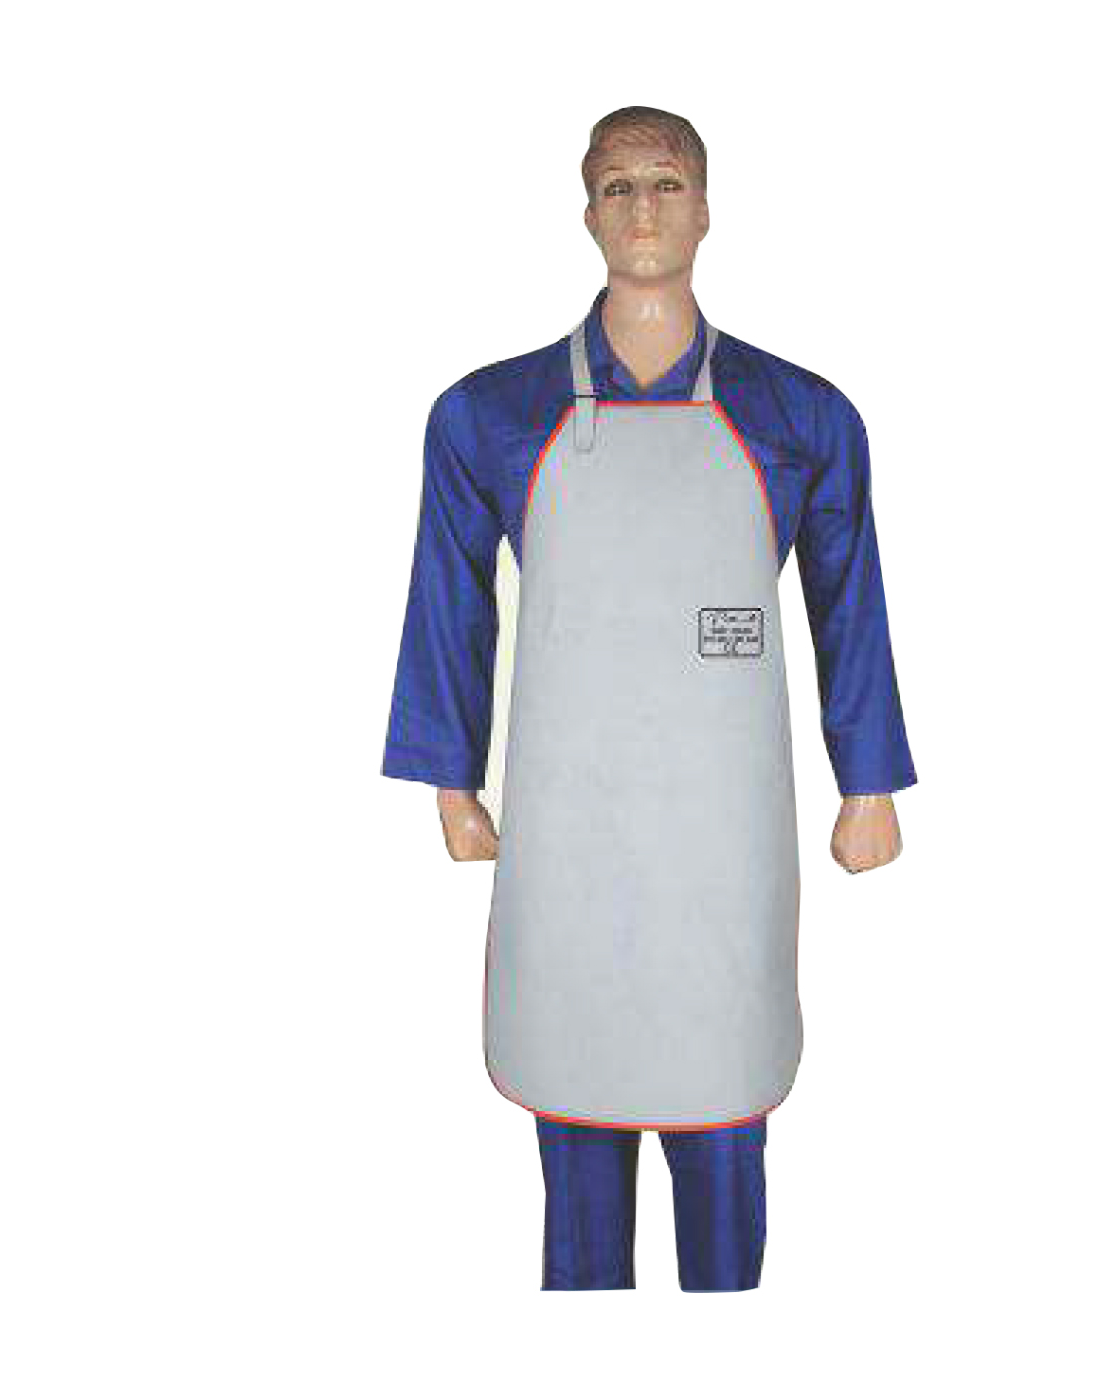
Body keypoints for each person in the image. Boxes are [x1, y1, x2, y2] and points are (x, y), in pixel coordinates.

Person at [382, 107, 917, 1290]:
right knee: (575, 1126)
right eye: (617, 185)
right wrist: (450, 781)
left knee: (723, 1129)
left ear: (707, 209)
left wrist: (868, 781)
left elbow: (848, 604)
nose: (641, 208)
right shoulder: (487, 413)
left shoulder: (801, 413)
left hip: (724, 843)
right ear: (584, 212)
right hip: (566, 841)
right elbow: (449, 605)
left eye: (665, 183)